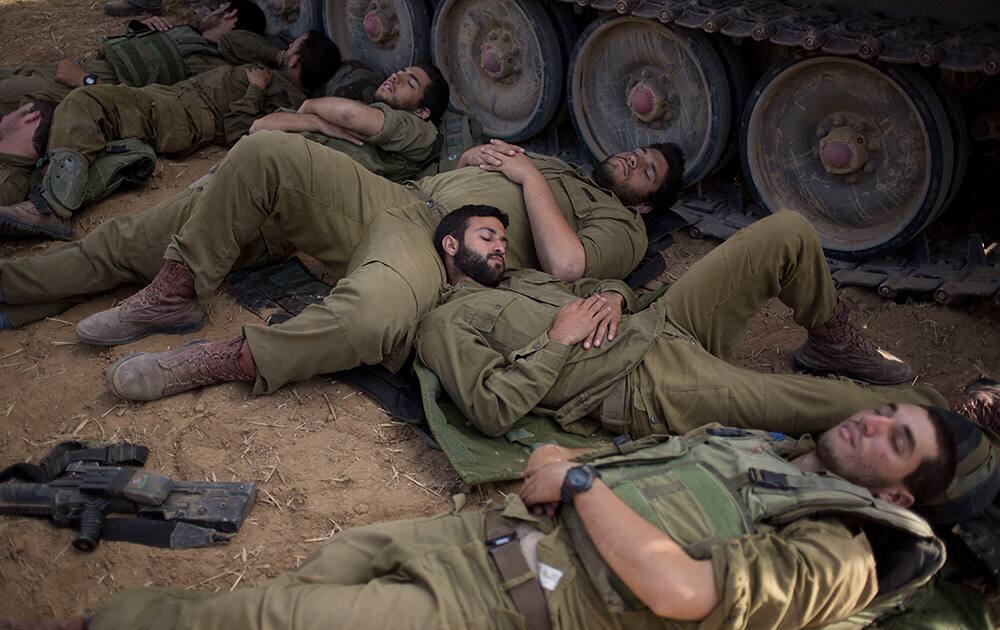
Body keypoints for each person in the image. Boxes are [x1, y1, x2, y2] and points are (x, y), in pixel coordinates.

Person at [13, 407, 970, 629]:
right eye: (888, 412)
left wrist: (583, 482)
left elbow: (681, 590)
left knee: (275, 618)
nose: (873, 422)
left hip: (515, 604)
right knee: (315, 572)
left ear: (896, 498)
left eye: (898, 442)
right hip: (481, 540)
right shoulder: (753, 447)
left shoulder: (846, 550)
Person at [48, 136, 682, 400]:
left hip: (445, 250)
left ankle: (232, 359)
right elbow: (463, 165)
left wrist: (522, 174)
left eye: (645, 169)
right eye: (634, 152)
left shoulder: (620, 226)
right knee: (266, 152)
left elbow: (568, 264)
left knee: (375, 315)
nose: (630, 160)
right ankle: (173, 289)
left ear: (648, 202)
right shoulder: (557, 162)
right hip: (399, 197)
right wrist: (481, 157)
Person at [416, 206, 999, 438]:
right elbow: (491, 410)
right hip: (640, 385)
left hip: (658, 325)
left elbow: (596, 289)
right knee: (803, 402)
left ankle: (831, 340)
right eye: (486, 237)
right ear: (450, 244)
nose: (499, 247)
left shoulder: (521, 278)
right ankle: (948, 410)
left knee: (786, 232)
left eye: (501, 237)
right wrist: (556, 339)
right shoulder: (446, 322)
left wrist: (616, 296)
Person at [0, 31, 341, 239]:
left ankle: (52, 207)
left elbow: (245, 131)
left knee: (86, 100)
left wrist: (254, 90)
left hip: (181, 115)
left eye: (291, 47)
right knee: (58, 108)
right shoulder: (271, 71)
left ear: (297, 62)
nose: (283, 49)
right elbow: (229, 40)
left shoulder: (285, 98)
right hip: (170, 102)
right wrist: (280, 55)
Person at [0, 2, 274, 117]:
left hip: (80, 87)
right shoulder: (186, 33)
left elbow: (149, 105)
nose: (210, 12)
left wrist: (86, 81)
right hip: (72, 69)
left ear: (230, 15)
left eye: (218, 7)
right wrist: (147, 30)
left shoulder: (211, 66)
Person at [248, 64, 450, 181]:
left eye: (410, 82)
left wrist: (311, 107)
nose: (396, 76)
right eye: (401, 71)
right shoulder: (354, 110)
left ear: (421, 112)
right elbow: (258, 126)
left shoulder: (419, 131)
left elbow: (350, 115)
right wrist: (314, 121)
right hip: (268, 166)